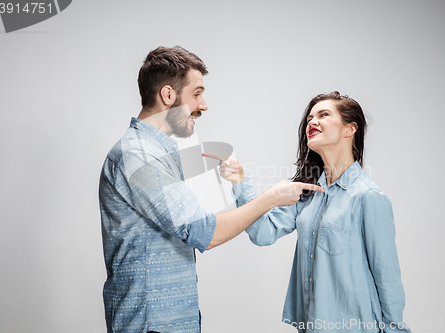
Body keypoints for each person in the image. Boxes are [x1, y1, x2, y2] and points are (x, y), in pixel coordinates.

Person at [98, 45, 324, 333]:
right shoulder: (139, 156)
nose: (203, 105)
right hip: (151, 323)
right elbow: (206, 233)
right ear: (168, 95)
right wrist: (270, 198)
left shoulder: (157, 153)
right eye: (196, 93)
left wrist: (241, 182)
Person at [211, 91, 411, 332]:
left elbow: (387, 278)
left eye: (324, 115)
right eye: (309, 118)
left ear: (350, 129)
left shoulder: (368, 197)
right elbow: (262, 233)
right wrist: (238, 180)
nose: (312, 121)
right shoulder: (307, 192)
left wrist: (395, 329)